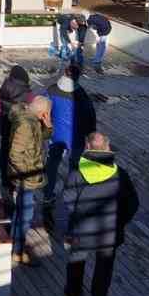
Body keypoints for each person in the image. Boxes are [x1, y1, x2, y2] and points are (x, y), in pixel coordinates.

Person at [63, 132, 140, 296]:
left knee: (76, 260)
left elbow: (67, 203)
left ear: (88, 148)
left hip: (82, 231)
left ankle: (73, 291)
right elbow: (133, 204)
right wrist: (118, 222)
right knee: (104, 268)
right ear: (107, 148)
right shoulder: (120, 175)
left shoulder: (76, 174)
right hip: (108, 233)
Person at [44, 64, 97, 210]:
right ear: (78, 77)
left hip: (56, 136)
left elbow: (42, 108)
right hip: (76, 137)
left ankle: (48, 195)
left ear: (64, 74)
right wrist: (90, 135)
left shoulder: (52, 90)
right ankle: (71, 196)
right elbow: (90, 117)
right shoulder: (82, 95)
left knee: (52, 165)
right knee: (74, 167)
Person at [7, 95, 52, 266]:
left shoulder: (30, 119)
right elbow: (15, 154)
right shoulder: (26, 125)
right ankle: (17, 252)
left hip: (26, 175)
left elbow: (40, 138)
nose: (48, 116)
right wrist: (27, 174)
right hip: (26, 177)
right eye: (47, 114)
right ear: (42, 112)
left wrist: (48, 126)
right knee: (26, 215)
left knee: (20, 211)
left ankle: (13, 244)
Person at [0, 65, 32, 211]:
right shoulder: (27, 93)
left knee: (4, 153)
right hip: (19, 129)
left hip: (5, 125)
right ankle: (17, 185)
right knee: (17, 157)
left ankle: (6, 188)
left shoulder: (4, 87)